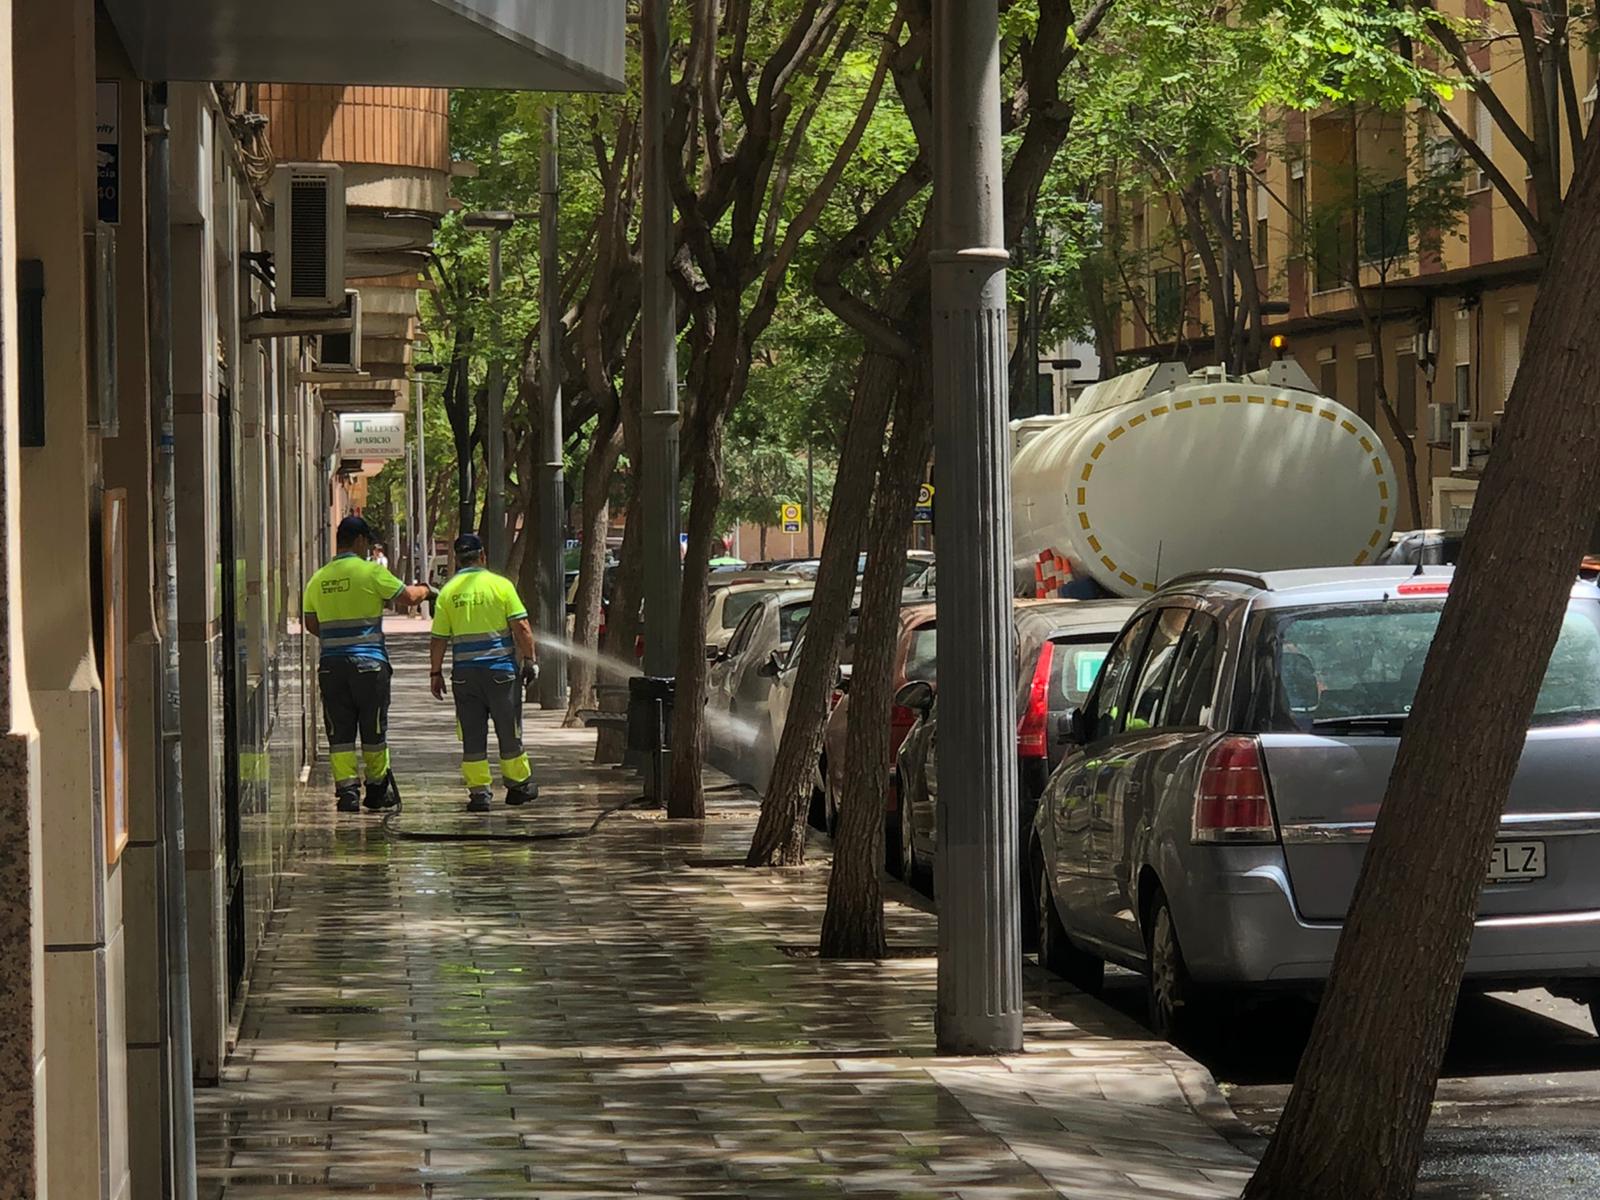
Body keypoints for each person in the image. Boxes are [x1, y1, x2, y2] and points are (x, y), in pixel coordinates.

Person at [303, 515, 431, 812]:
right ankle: (376, 789)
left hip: (331, 666)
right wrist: (427, 589)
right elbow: (408, 597)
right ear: (360, 541)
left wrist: (336, 637)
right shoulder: (370, 572)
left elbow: (311, 622)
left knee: (339, 731)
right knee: (373, 730)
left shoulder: (318, 578)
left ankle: (347, 791)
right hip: (369, 665)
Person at [429, 533, 540, 812]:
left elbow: (439, 638)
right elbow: (522, 626)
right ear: (482, 556)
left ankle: (479, 793)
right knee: (508, 730)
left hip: (465, 677)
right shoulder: (500, 586)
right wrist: (530, 660)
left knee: (472, 734)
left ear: (457, 560)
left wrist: (435, 673)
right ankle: (518, 786)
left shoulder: (448, 592)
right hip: (500, 673)